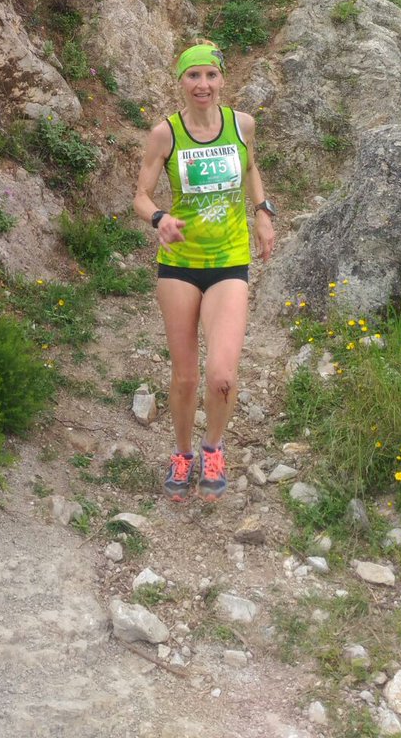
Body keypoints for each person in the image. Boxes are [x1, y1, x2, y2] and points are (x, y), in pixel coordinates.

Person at [133, 42, 275, 502]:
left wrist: (262, 211)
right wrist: (159, 218)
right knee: (185, 377)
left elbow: (251, 168)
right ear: (181, 81)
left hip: (229, 261)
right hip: (179, 265)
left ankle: (213, 448)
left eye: (211, 75)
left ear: (221, 79)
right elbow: (141, 196)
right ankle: (182, 453)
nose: (203, 85)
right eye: (193, 75)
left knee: (221, 376)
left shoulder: (242, 125)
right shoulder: (165, 134)